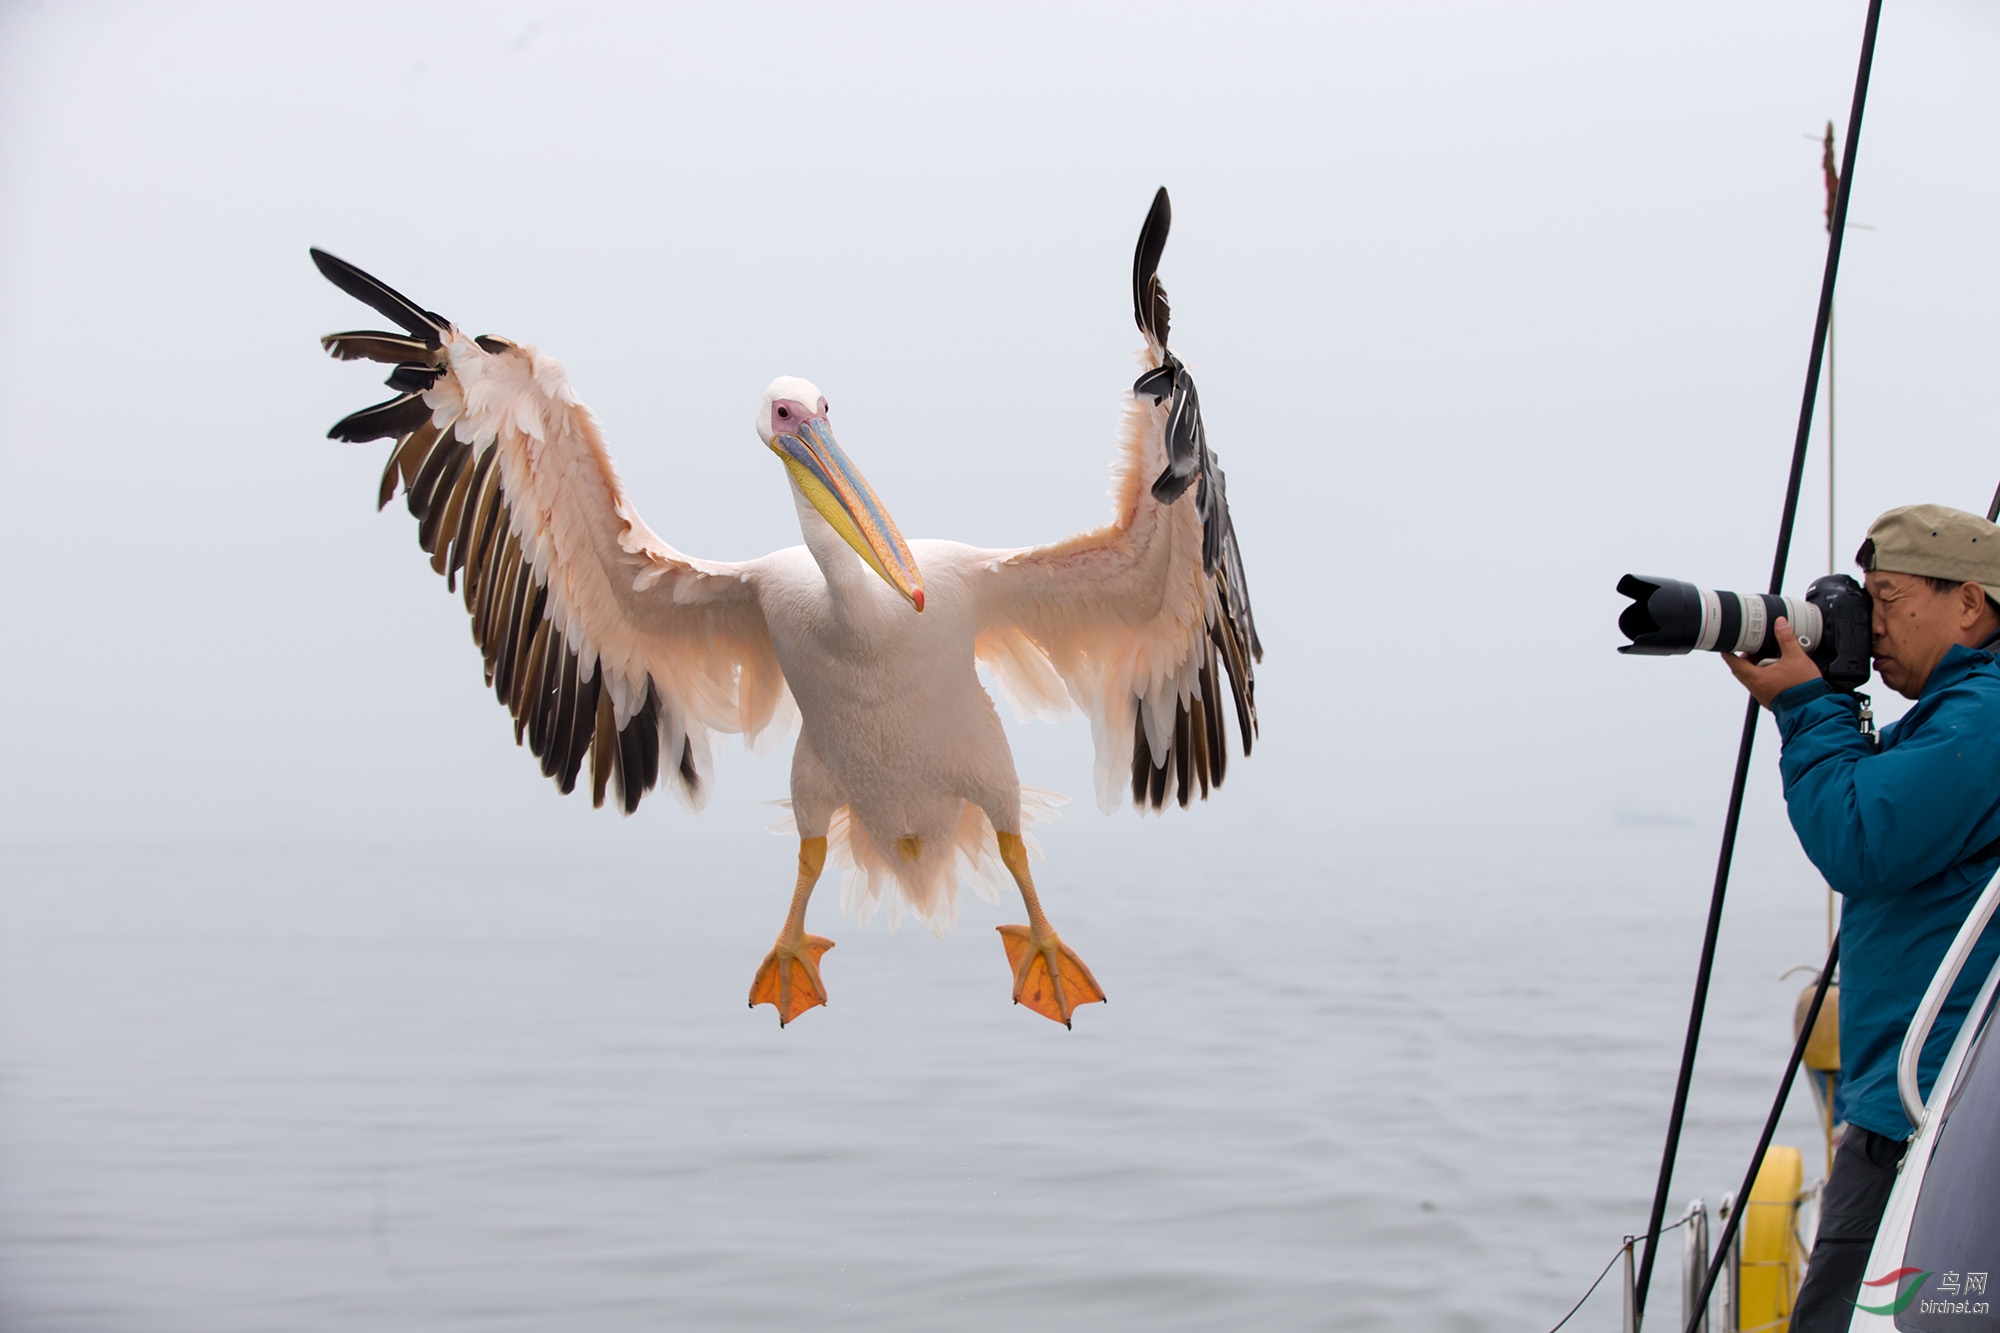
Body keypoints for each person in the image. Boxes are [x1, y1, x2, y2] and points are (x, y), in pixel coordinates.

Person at [1723, 503, 2000, 1331]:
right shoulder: (1960, 708)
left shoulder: (1984, 715)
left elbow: (1861, 839)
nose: (1869, 622)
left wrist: (1810, 708)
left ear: (1969, 603)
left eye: (1887, 596)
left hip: (1928, 1110)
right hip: (1921, 1095)